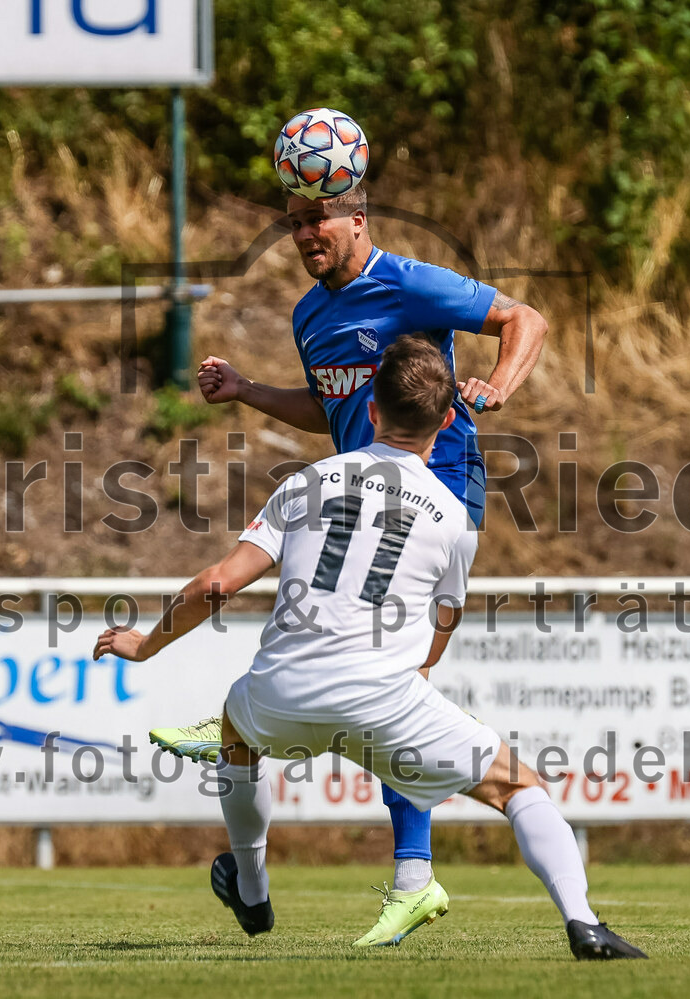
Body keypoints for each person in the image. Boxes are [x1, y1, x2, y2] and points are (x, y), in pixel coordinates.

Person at [96, 338, 646, 960]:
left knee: (235, 734)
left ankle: (252, 889)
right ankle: (583, 922)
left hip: (283, 692)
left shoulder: (309, 480)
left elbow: (217, 585)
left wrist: (145, 646)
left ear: (372, 410)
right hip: (385, 702)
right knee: (517, 787)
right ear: (445, 421)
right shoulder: (451, 516)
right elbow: (446, 619)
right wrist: (419, 665)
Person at [150, 182, 548, 945]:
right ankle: (404, 873)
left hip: (438, 491)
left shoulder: (411, 282)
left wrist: (497, 384)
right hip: (363, 488)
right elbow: (332, 407)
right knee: (374, 677)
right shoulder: (309, 314)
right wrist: (246, 391)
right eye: (295, 223)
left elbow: (523, 318)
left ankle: (402, 867)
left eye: (318, 219)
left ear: (356, 218)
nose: (306, 234)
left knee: (388, 682)